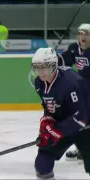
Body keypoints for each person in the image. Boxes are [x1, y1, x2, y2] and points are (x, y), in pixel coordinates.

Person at [32, 47, 90, 179]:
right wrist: (46, 121)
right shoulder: (39, 83)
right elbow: (49, 106)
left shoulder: (72, 83)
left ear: (53, 65)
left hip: (85, 128)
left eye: (44, 67)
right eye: (37, 67)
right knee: (42, 164)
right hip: (62, 124)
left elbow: (81, 117)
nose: (40, 71)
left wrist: (57, 130)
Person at [57, 23, 90, 162]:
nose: (83, 36)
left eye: (86, 33)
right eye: (80, 33)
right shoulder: (74, 48)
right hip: (83, 89)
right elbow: (63, 61)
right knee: (81, 118)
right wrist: (52, 58)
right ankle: (82, 147)